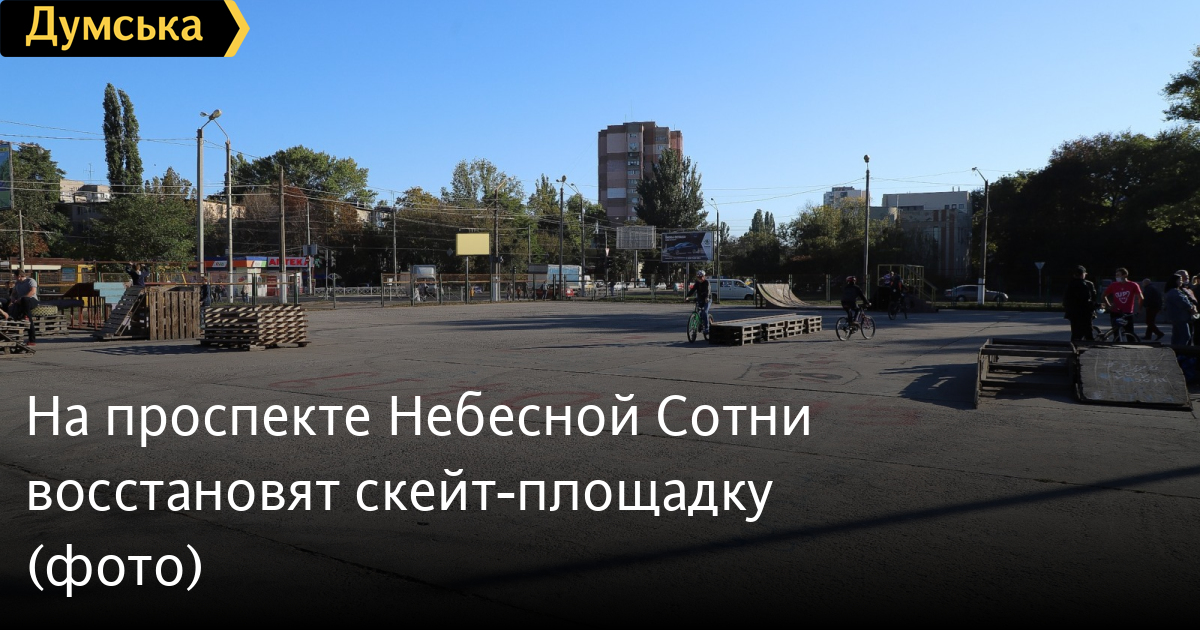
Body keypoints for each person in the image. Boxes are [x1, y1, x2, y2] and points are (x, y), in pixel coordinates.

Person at [1102, 267, 1142, 340]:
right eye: (1116, 275)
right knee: (1116, 332)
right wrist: (1109, 305)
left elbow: (1141, 297)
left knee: (1130, 333)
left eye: (1118, 275)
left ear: (1125, 275)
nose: (1116, 277)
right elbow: (1104, 295)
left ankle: (1131, 344)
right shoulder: (1113, 285)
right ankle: (1116, 343)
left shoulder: (1133, 285)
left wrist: (1139, 309)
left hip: (1127, 312)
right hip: (1115, 312)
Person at [1062, 265, 1097, 341]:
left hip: (1073, 312)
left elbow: (1066, 299)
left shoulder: (1070, 284)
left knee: (1075, 332)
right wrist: (1095, 305)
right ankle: (1089, 345)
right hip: (1084, 312)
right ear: (1082, 274)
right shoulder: (1086, 284)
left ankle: (1075, 345)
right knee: (1088, 331)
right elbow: (1087, 299)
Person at [1164, 274, 1197, 346]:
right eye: (1180, 280)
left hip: (1176, 317)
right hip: (1180, 317)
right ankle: (1180, 350)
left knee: (1177, 336)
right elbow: (1183, 303)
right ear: (1175, 281)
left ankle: (1175, 349)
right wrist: (1192, 308)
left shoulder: (1173, 291)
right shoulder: (1174, 292)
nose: (1181, 282)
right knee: (1185, 336)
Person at [9, 269, 39, 344]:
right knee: (5, 302)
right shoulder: (17, 284)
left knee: (25, 300)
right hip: (21, 302)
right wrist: (13, 298)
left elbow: (32, 292)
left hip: (31, 300)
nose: (15, 278)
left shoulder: (30, 281)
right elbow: (13, 293)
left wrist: (21, 299)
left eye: (15, 276)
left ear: (19, 276)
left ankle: (32, 339)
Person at [685, 269, 712, 335]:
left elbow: (708, 291)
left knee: (705, 312)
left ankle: (707, 328)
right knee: (698, 311)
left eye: (701, 277)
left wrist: (707, 297)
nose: (700, 279)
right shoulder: (697, 283)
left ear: (704, 276)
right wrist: (687, 296)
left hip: (707, 299)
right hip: (700, 299)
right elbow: (692, 290)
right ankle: (697, 326)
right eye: (698, 277)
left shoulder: (707, 282)